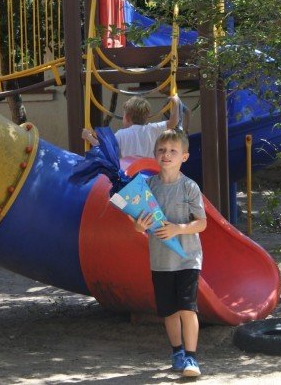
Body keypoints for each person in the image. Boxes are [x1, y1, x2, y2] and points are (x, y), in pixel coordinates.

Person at [135, 130, 206, 377]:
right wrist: (139, 226)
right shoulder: (147, 186)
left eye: (173, 151)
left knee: (188, 309)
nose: (167, 155)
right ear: (155, 154)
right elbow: (139, 222)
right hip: (161, 261)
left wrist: (178, 229)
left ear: (184, 156)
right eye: (162, 150)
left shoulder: (190, 187)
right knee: (169, 311)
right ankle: (177, 351)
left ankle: (191, 358)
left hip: (188, 258)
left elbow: (202, 223)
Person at [81, 94, 181, 158]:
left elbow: (105, 149)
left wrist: (89, 137)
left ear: (128, 117)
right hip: (151, 174)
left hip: (129, 177)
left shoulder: (121, 134)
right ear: (146, 118)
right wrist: (176, 102)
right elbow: (173, 122)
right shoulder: (152, 129)